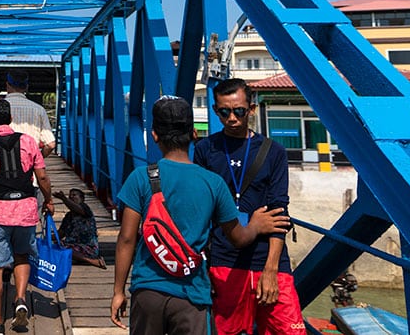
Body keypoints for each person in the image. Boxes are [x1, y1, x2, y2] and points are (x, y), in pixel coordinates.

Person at [110, 96, 289, 335]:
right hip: (192, 294)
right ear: (194, 134)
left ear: (155, 135)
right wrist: (255, 226)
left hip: (148, 291)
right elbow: (238, 238)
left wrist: (119, 291)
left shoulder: (141, 177)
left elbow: (127, 239)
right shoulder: (213, 183)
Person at [193, 78, 304, 335]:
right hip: (224, 261)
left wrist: (271, 271)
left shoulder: (273, 151)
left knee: (291, 330)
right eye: (224, 112)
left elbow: (279, 212)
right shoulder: (205, 149)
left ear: (251, 109)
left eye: (239, 111)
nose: (232, 118)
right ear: (215, 110)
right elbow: (200, 212)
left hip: (268, 259)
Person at [0, 97, 54, 334]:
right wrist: (49, 199)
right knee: (22, 256)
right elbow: (41, 176)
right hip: (25, 210)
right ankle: (21, 299)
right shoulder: (29, 142)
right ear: (10, 119)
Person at [0, 69, 56, 157]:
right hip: (29, 164)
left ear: (7, 85)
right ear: (26, 87)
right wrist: (38, 159)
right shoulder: (39, 109)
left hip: (2, 164)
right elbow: (51, 144)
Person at [54, 188, 105, 269]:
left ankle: (91, 261)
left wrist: (63, 198)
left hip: (87, 247)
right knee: (55, 246)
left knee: (66, 249)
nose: (71, 197)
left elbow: (77, 209)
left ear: (82, 199)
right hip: (71, 245)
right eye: (70, 196)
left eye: (74, 195)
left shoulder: (85, 208)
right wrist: (49, 237)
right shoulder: (68, 216)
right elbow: (61, 233)